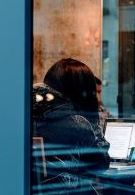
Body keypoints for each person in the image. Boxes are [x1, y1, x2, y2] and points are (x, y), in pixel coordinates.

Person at [33, 58, 110, 194]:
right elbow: (101, 164)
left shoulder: (27, 113)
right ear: (83, 92)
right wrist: (91, 117)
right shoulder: (77, 124)